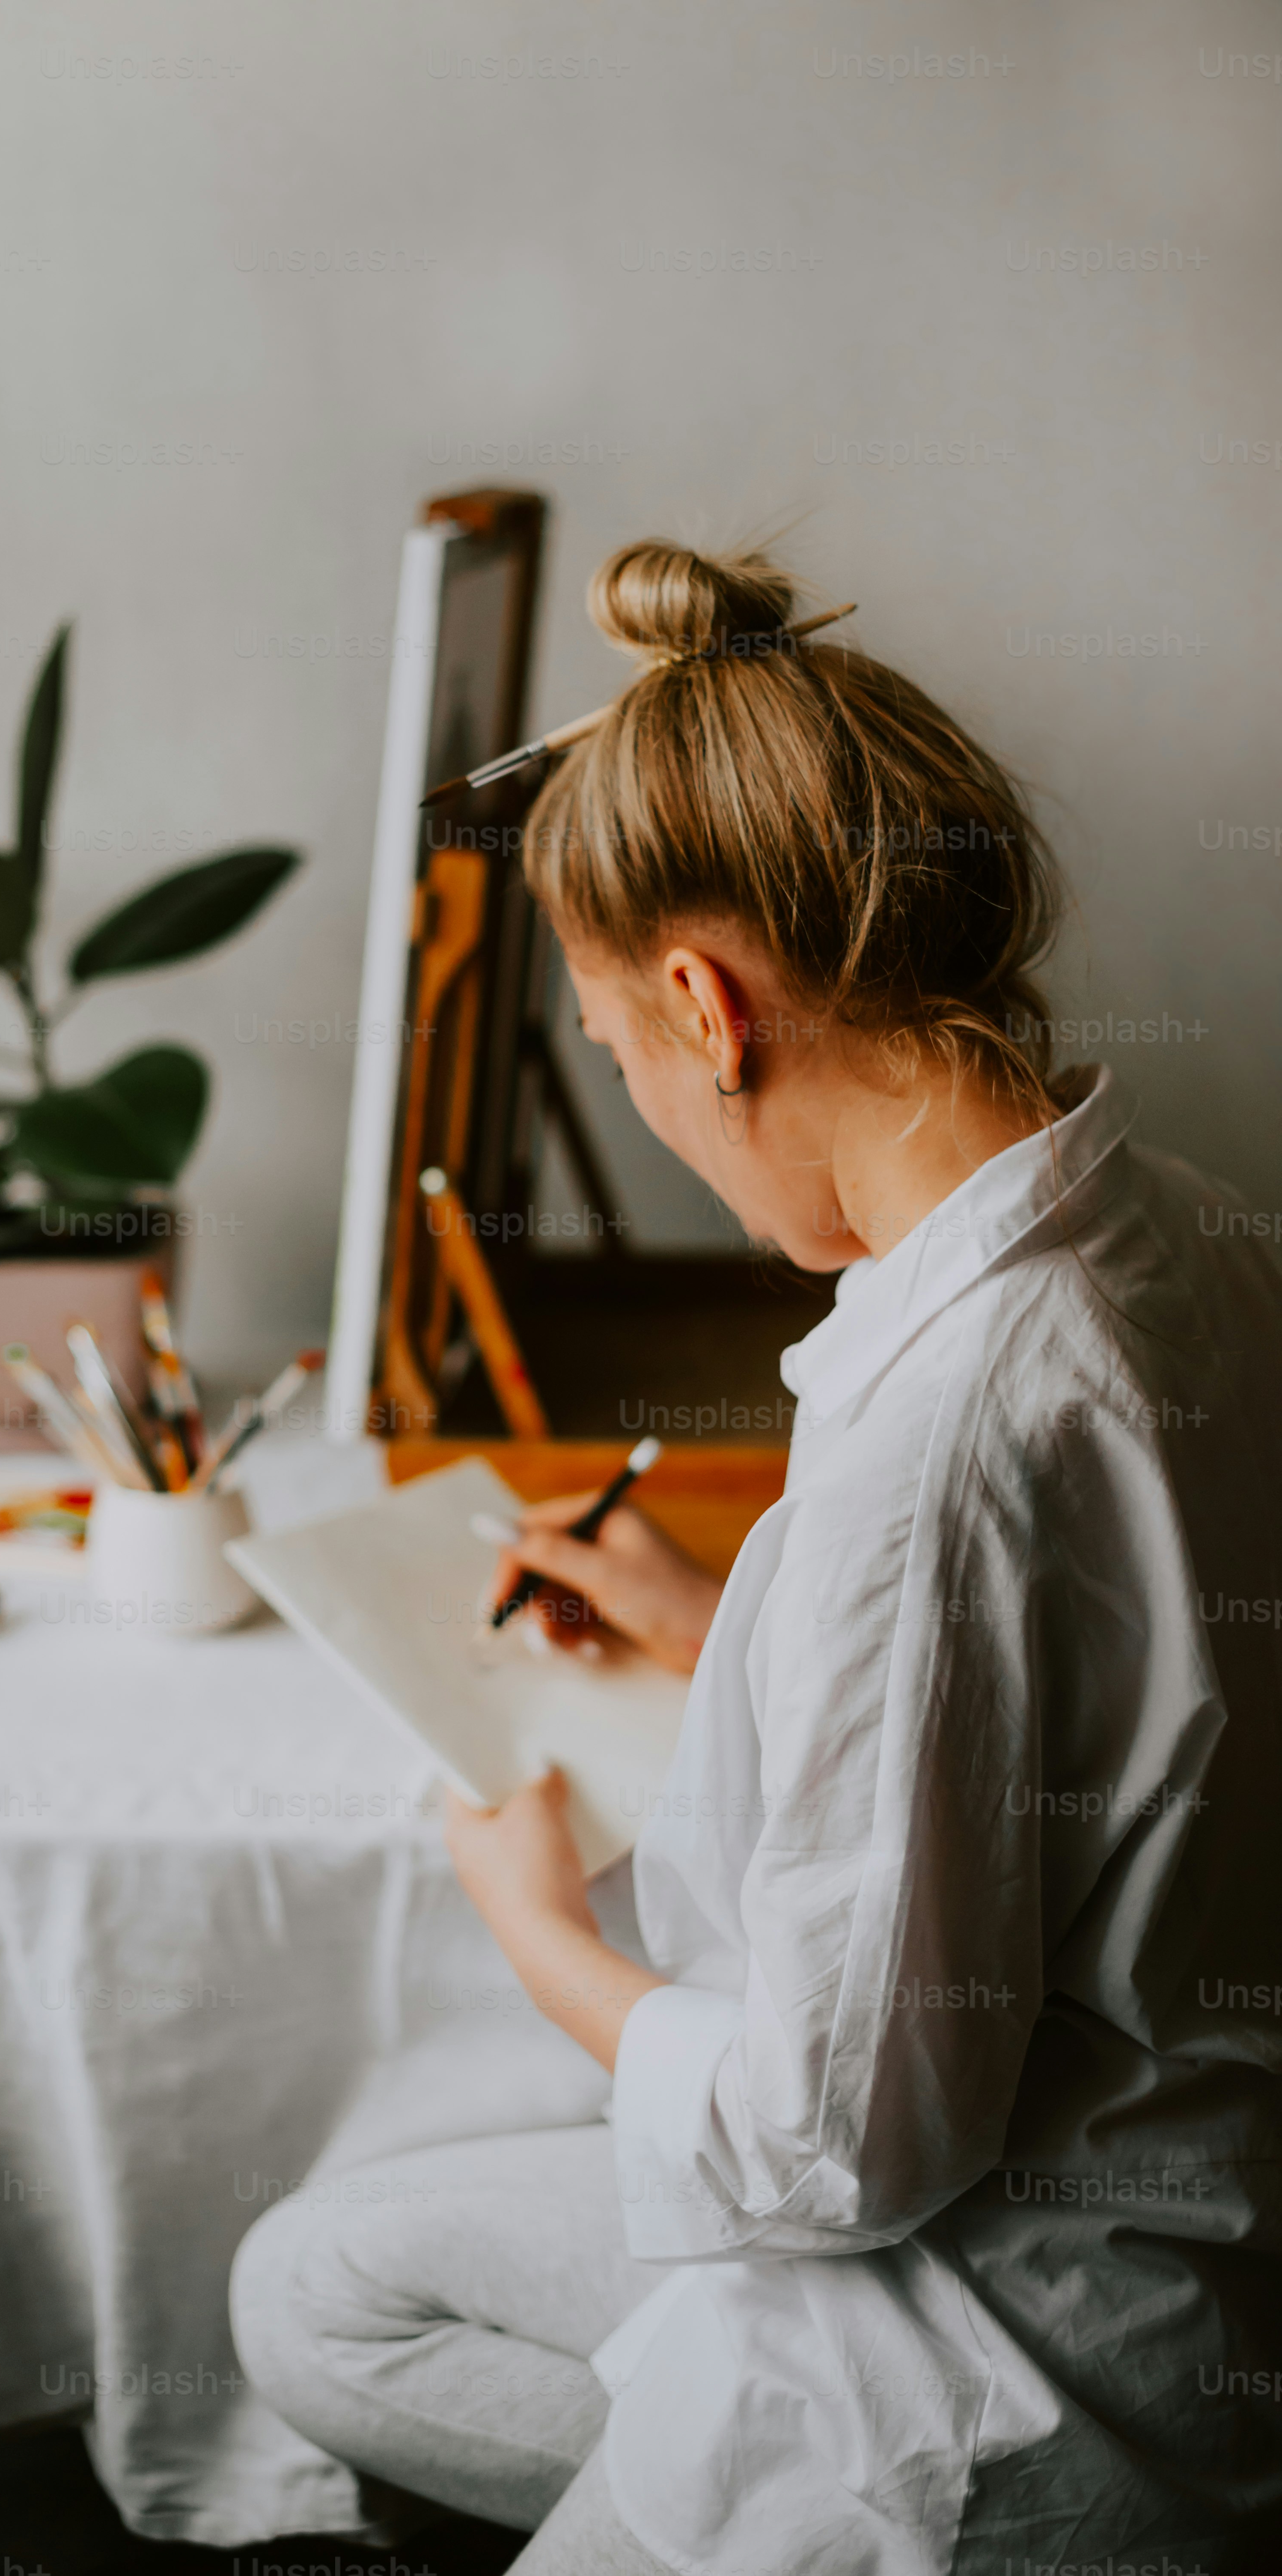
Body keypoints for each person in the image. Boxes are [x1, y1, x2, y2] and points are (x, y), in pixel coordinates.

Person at [231, 539, 1282, 2573]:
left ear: (707, 1007)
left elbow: (836, 2146)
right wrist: (726, 1626)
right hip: (1168, 2215)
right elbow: (1107, 1688)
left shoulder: (942, 1425)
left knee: (377, 2262)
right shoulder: (1194, 1226)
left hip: (992, 2353)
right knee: (311, 2288)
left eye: (617, 1052)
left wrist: (550, 1938)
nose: (640, 1102)